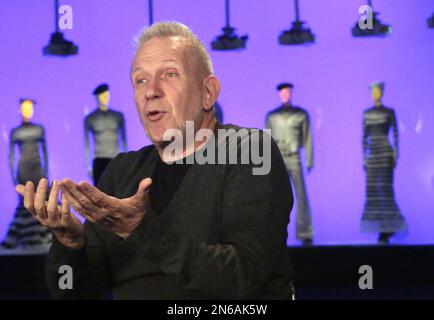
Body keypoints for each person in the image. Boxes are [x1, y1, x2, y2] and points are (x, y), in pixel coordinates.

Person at [16, 22, 295, 299]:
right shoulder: (122, 172)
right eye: (141, 80)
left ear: (208, 93)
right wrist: (69, 245)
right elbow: (69, 292)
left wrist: (141, 230)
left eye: (170, 74)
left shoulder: (250, 152)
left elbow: (241, 279)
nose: (151, 91)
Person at [266, 83, 314, 246]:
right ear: (279, 95)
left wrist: (310, 159)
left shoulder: (301, 115)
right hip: (278, 159)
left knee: (301, 196)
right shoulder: (272, 116)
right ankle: (275, 233)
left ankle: (305, 232)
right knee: (277, 197)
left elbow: (307, 138)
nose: (285, 95)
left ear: (291, 94)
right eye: (283, 93)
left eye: (287, 92)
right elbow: (266, 140)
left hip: (294, 158)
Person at [0, 99, 51, 250]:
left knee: (42, 202)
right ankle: (29, 244)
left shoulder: (39, 129)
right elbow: (10, 156)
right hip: (23, 170)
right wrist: (14, 178)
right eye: (24, 108)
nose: (27, 111)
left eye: (29, 108)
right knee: (26, 205)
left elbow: (45, 152)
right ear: (19, 110)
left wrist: (46, 172)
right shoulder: (15, 132)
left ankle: (43, 241)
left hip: (38, 169)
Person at [361, 82, 407, 244]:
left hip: (385, 153)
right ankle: (381, 228)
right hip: (372, 154)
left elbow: (395, 134)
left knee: (386, 190)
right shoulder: (366, 113)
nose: (375, 94)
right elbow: (364, 137)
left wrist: (395, 155)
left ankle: (388, 228)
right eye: (373, 91)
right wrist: (364, 158)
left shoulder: (389, 112)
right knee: (373, 191)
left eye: (378, 91)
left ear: (382, 92)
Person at [84, 84, 127, 186]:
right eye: (102, 95)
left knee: (118, 191)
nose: (105, 98)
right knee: (100, 192)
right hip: (99, 160)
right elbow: (86, 144)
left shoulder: (117, 116)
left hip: (115, 158)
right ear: (97, 97)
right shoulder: (90, 118)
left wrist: (126, 161)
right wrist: (88, 166)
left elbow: (124, 140)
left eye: (107, 95)